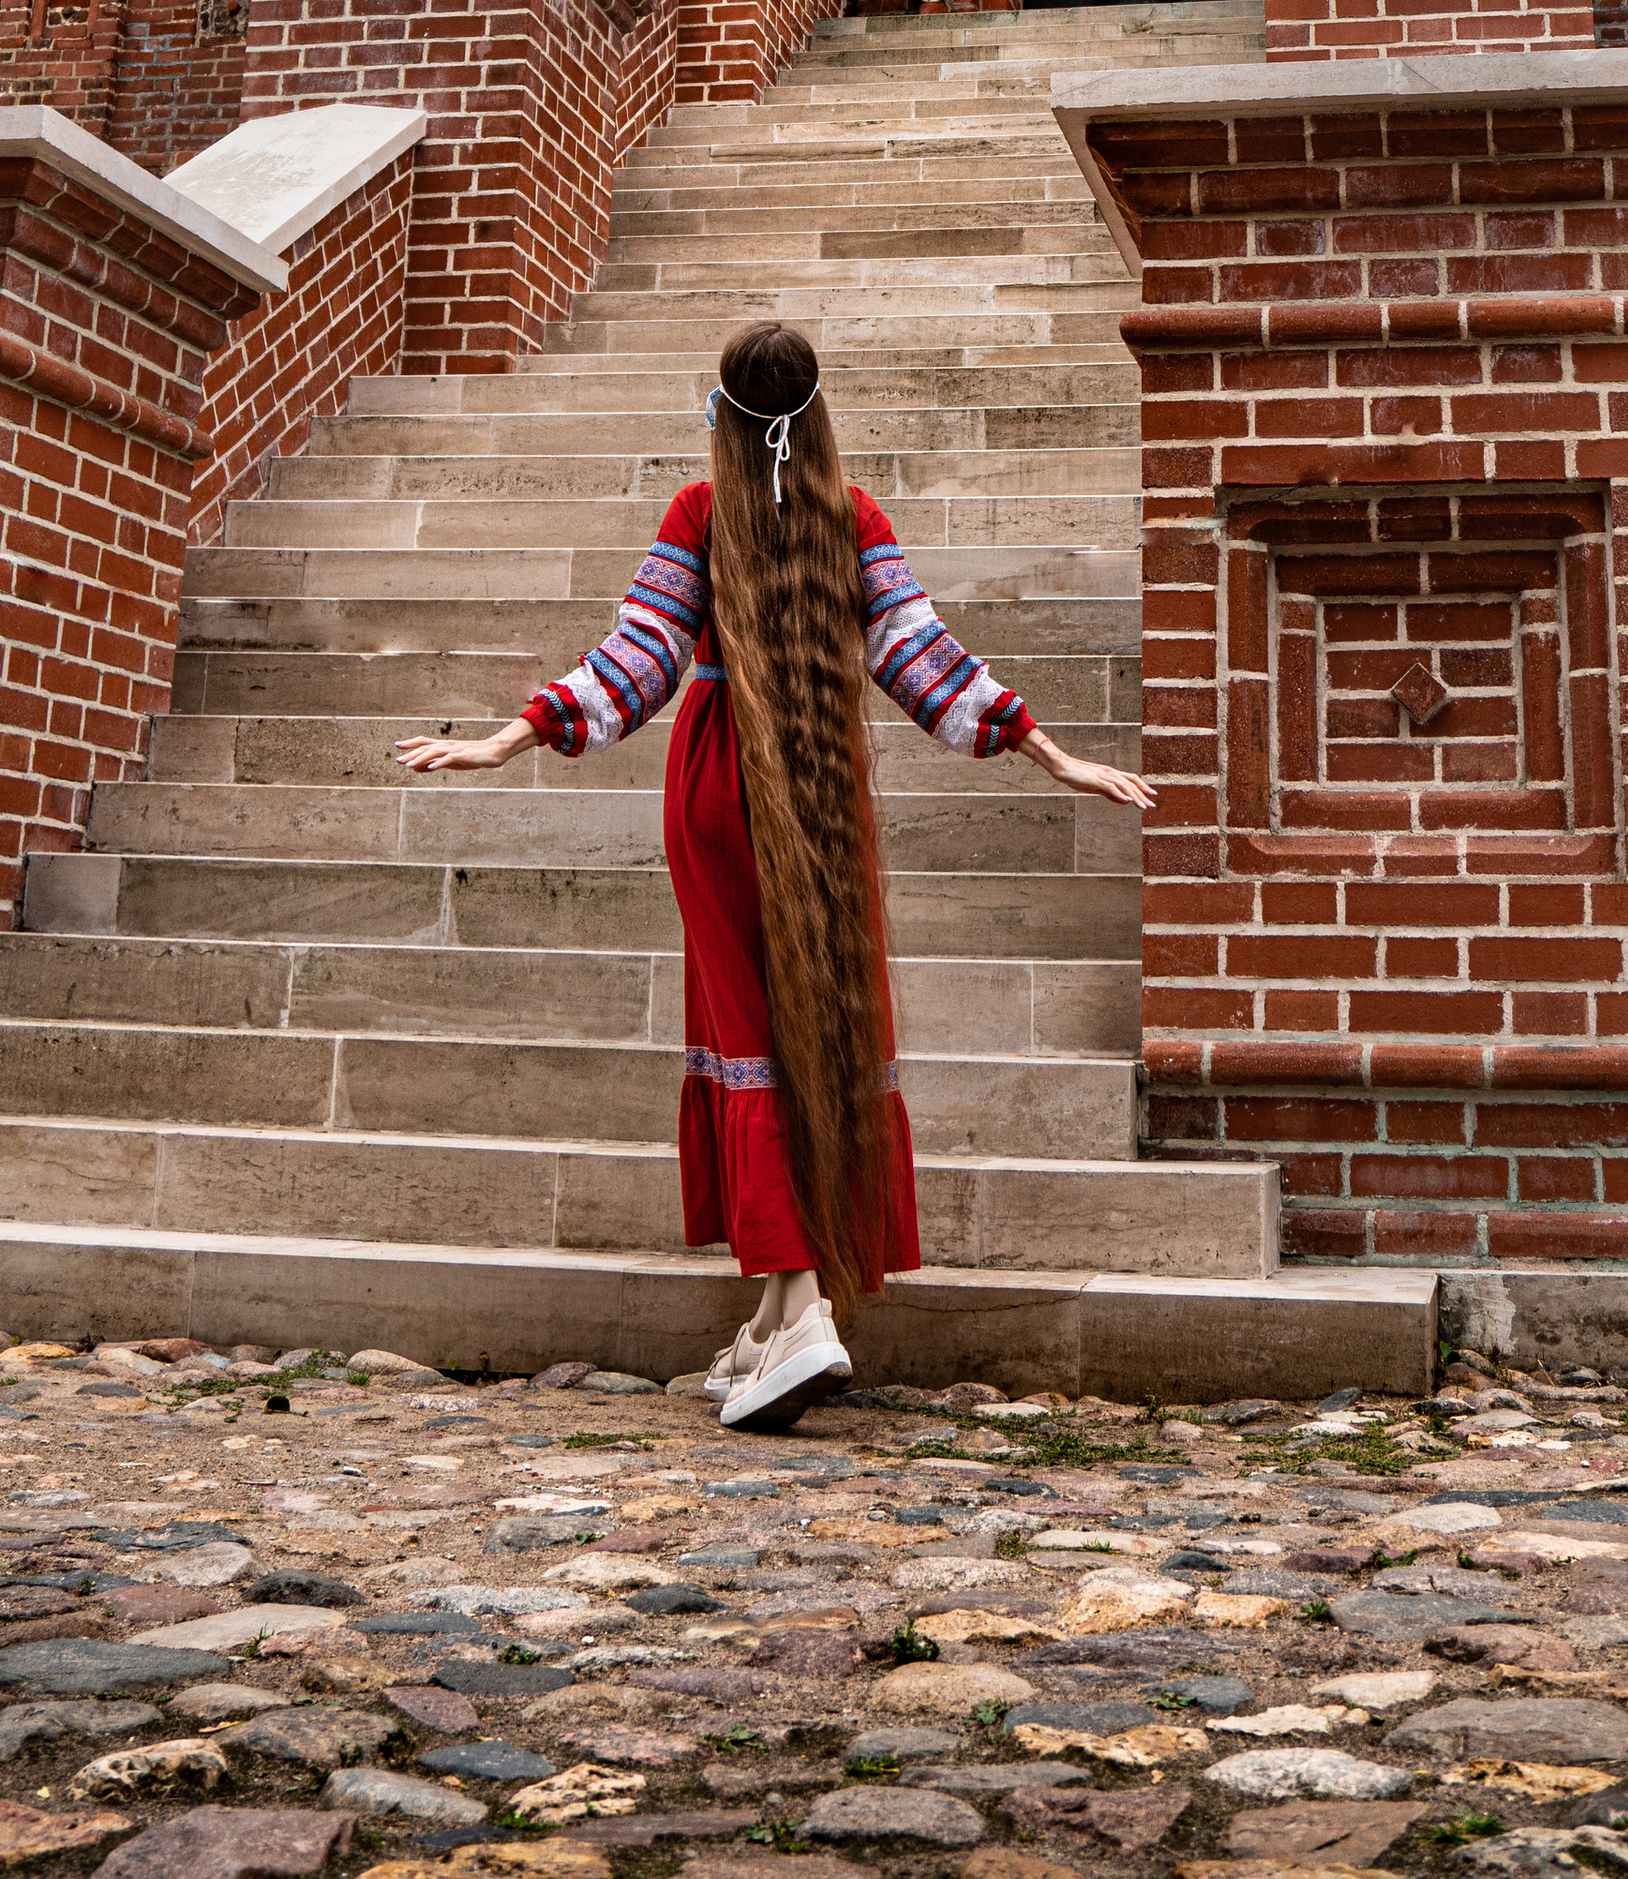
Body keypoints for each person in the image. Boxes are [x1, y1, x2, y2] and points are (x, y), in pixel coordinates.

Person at [396, 316, 1155, 1429]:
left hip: (716, 785)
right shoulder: (859, 516)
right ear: (817, 414)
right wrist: (1046, 748)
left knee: (748, 1032)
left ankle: (799, 1308)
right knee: (812, 1024)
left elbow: (640, 656)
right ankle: (771, 1313)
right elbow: (918, 656)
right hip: (820, 791)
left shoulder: (700, 512)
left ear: (725, 417)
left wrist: (514, 735)